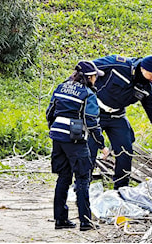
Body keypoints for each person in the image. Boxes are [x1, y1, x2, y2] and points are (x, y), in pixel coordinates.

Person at [88, 54, 152, 189]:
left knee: (125, 150)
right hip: (95, 113)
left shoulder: (147, 87)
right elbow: (86, 69)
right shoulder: (117, 64)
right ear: (142, 68)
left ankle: (121, 189)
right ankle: (82, 187)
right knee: (89, 149)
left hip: (117, 116)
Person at [46, 60, 110, 231]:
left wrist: (55, 130)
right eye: (96, 76)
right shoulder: (88, 94)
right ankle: (85, 221)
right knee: (82, 179)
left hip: (57, 137)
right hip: (75, 140)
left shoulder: (61, 87)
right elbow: (92, 122)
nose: (97, 79)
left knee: (63, 177)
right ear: (90, 77)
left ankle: (60, 219)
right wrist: (102, 145)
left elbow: (50, 112)